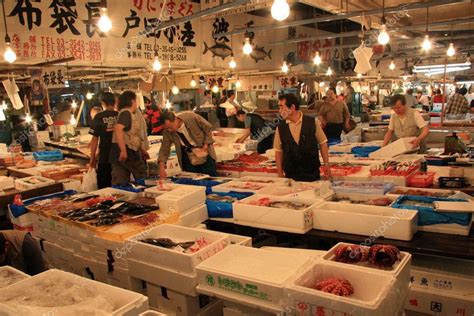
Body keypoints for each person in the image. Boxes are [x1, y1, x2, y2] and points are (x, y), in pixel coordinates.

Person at [274, 93, 330, 182]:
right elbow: (278, 152)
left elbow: (323, 143)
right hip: (291, 175)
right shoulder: (280, 128)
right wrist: (280, 173)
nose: (279, 110)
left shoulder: (312, 122)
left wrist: (326, 164)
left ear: (292, 107)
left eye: (281, 107)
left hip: (312, 173)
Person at [158, 111, 217, 177]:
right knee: (193, 181)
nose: (169, 130)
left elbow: (208, 127)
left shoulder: (191, 117)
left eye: (170, 127)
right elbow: (164, 149)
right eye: (166, 129)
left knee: (211, 178)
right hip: (188, 156)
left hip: (205, 153)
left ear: (175, 119)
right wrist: (161, 168)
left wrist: (206, 144)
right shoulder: (167, 132)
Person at [110, 91, 149, 185]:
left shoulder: (128, 114)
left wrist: (142, 150)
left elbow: (132, 135)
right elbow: (118, 129)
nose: (137, 103)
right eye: (136, 100)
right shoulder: (126, 113)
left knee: (122, 181)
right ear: (132, 101)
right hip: (128, 151)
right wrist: (123, 151)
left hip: (122, 151)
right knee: (142, 179)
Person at [89, 92, 118, 189]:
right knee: (118, 183)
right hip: (118, 155)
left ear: (103, 103)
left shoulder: (99, 117)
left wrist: (92, 158)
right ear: (114, 103)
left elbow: (94, 139)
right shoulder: (120, 115)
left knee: (104, 185)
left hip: (105, 155)